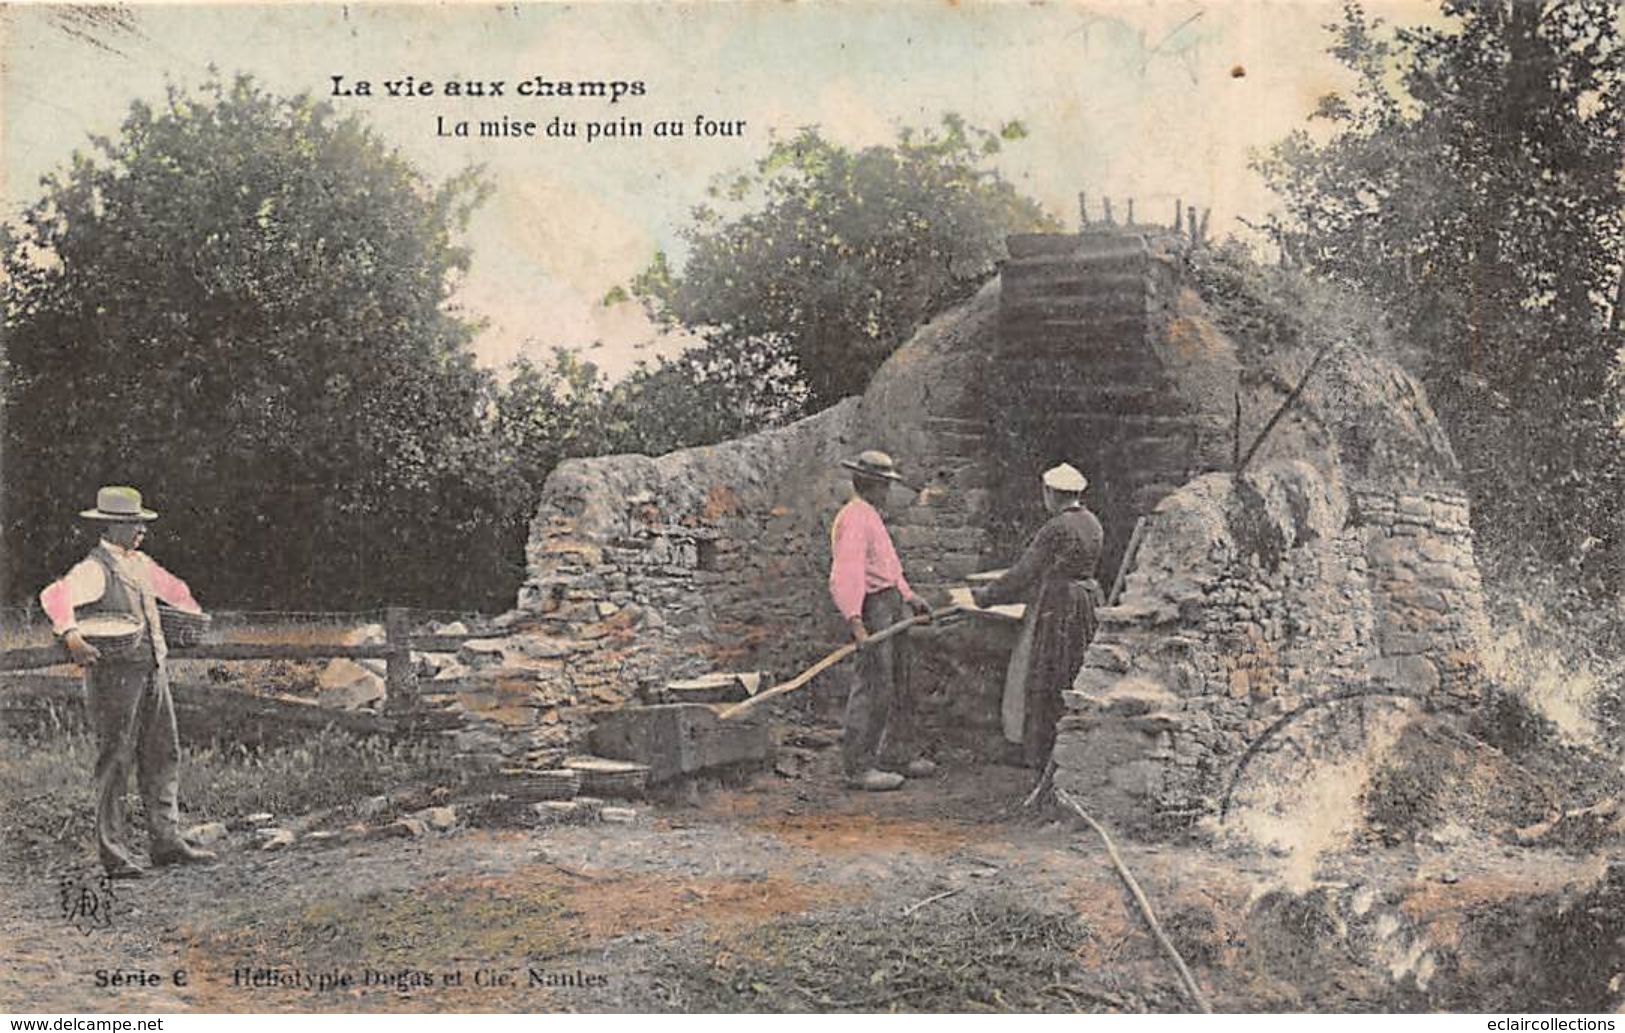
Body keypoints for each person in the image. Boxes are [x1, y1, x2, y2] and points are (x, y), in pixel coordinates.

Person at [39, 486, 216, 878]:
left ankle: (166, 840)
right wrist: (70, 634)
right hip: (114, 674)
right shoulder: (93, 568)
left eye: (141, 523)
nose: (141, 530)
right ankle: (113, 853)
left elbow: (175, 591)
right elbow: (55, 596)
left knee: (162, 752)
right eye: (134, 523)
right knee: (115, 759)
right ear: (113, 526)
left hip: (152, 668)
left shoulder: (140, 563)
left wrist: (191, 613)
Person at [972, 463, 1104, 769]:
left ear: (1052, 493)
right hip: (1085, 601)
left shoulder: (1056, 527)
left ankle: (1040, 753)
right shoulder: (1092, 522)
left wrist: (987, 596)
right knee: (1074, 671)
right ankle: (1069, 751)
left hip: (1058, 606)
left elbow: (1024, 572)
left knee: (1045, 674)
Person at [829, 450, 933, 792]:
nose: (888, 491)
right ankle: (859, 767)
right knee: (874, 684)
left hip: (890, 601)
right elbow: (847, 575)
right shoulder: (854, 519)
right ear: (872, 485)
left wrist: (907, 594)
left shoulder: (871, 514)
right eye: (885, 484)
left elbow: (887, 567)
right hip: (872, 607)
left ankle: (896, 755)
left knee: (900, 681)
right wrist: (857, 623)